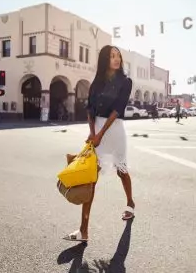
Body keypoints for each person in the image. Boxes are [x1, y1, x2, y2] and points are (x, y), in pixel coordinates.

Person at [63, 45, 134, 242]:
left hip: (115, 129)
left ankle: (130, 203)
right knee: (91, 178)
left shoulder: (126, 82)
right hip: (98, 130)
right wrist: (92, 132)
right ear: (105, 59)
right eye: (112, 56)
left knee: (122, 171)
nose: (116, 59)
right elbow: (90, 109)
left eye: (118, 56)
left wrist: (101, 133)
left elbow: (118, 109)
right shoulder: (96, 83)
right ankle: (83, 230)